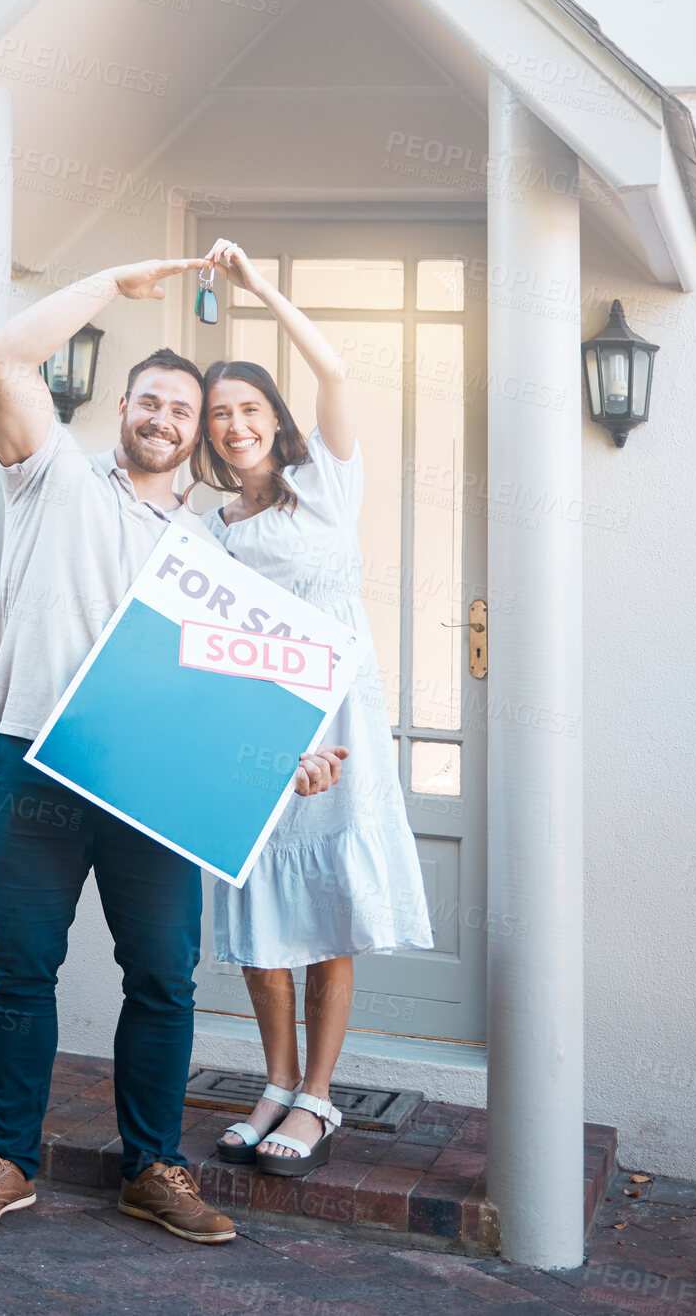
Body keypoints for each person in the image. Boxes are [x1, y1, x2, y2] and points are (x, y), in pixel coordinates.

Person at [0, 256, 347, 1242]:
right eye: (150, 399)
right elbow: (4, 352)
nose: (164, 417)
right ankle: (6, 1159)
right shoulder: (52, 477)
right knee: (21, 968)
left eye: (182, 408)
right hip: (37, 758)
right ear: (122, 407)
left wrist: (284, 753)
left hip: (154, 784)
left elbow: (229, 689)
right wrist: (115, 280)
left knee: (163, 976)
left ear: (197, 434)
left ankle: (153, 1166)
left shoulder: (212, 555)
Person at [191, 238, 434, 1177]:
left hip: (340, 722)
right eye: (220, 415)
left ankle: (321, 1097)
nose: (234, 423)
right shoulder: (208, 530)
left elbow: (333, 368)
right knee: (260, 912)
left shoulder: (329, 484)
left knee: (328, 906)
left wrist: (260, 288)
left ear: (273, 417)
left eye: (248, 407)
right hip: (260, 731)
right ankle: (274, 1082)